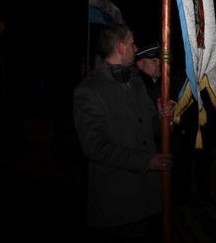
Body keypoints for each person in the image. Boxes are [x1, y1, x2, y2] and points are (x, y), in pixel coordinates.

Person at [73, 23, 175, 243]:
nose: (136, 48)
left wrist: (164, 117)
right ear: (120, 48)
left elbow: (152, 129)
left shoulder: (135, 83)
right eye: (132, 44)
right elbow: (95, 148)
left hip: (148, 200)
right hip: (118, 206)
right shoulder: (89, 91)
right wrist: (146, 161)